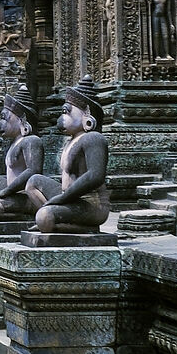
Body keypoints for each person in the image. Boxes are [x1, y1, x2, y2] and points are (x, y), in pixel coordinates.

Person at [24, 78, 111, 242]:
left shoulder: (93, 138)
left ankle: (72, 225)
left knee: (44, 216)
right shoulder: (71, 141)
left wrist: (62, 199)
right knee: (33, 182)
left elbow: (95, 175)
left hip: (91, 203)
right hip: (70, 198)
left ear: (87, 114)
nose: (62, 117)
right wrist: (62, 198)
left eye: (67, 112)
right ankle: (53, 222)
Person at [0, 89, 44, 221]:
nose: (0, 124)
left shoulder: (31, 141)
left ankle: (27, 216)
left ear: (21, 120)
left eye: (5, 118)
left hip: (27, 196)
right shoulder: (13, 143)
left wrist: (6, 191)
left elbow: (33, 171)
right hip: (12, 192)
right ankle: (2, 204)